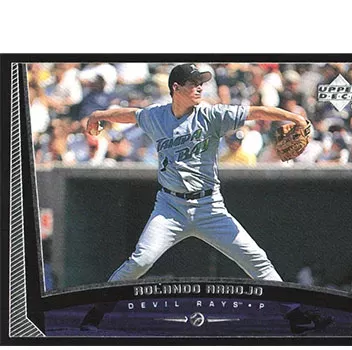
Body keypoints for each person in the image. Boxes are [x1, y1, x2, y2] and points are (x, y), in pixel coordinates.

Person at [80, 64, 333, 334]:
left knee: (256, 258)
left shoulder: (212, 115)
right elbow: (130, 115)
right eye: (193, 83)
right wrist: (99, 114)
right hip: (169, 208)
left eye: (201, 82)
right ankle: (95, 314)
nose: (200, 87)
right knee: (140, 261)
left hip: (209, 208)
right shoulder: (156, 115)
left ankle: (296, 316)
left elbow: (256, 112)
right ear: (176, 88)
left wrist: (293, 117)